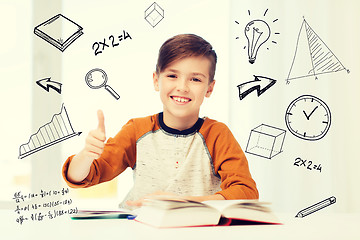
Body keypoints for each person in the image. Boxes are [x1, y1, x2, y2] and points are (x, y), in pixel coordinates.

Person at [62, 34, 259, 209]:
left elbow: (246, 193)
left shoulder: (217, 134)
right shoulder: (136, 130)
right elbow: (79, 177)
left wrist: (183, 204)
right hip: (139, 228)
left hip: (195, 232)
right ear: (156, 81)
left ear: (209, 88)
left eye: (195, 79)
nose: (182, 87)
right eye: (172, 76)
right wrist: (86, 156)